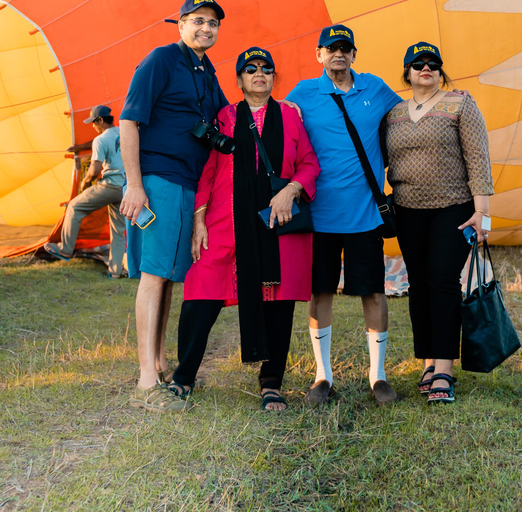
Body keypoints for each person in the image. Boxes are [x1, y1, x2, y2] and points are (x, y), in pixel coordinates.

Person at [166, 47, 320, 411]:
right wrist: (199, 219)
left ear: (273, 77)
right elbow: (208, 170)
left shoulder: (291, 117)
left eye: (266, 68)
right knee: (201, 292)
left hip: (274, 221)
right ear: (239, 80)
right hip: (225, 224)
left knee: (278, 301)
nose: (259, 73)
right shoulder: (224, 117)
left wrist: (291, 191)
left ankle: (271, 384)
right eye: (250, 69)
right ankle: (184, 377)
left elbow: (309, 164)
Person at [119, 0, 229, 413]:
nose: (206, 28)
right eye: (198, 21)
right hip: (159, 179)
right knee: (154, 275)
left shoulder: (206, 69)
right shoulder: (161, 60)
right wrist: (133, 185)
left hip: (188, 181)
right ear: (180, 24)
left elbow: (225, 114)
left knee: (167, 276)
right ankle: (147, 381)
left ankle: (161, 363)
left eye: (212, 22)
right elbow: (128, 121)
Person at [285, 25, 402, 406]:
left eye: (345, 48)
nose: (339, 53)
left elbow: (413, 110)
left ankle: (378, 376)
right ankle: (322, 376)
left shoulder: (376, 89)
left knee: (373, 291)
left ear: (354, 54)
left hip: (365, 214)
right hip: (318, 215)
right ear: (319, 54)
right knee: (319, 293)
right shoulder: (303, 93)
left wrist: (451, 100)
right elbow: (277, 126)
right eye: (331, 48)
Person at [385, 42, 494, 404]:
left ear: (440, 70)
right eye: (418, 63)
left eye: (433, 63)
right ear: (407, 72)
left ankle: (444, 370)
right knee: (419, 285)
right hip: (407, 210)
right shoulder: (394, 113)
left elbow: (478, 158)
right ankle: (430, 361)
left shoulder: (461, 104)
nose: (426, 68)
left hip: (454, 209)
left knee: (443, 282)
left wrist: (482, 213)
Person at [44, 105, 127, 278]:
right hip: (125, 188)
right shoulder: (123, 132)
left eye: (93, 123)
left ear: (100, 121)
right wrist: (81, 146)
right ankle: (115, 272)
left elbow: (95, 169)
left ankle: (65, 250)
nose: (92, 126)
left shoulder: (100, 140)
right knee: (118, 231)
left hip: (109, 186)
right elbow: (102, 140)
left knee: (74, 207)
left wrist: (85, 182)